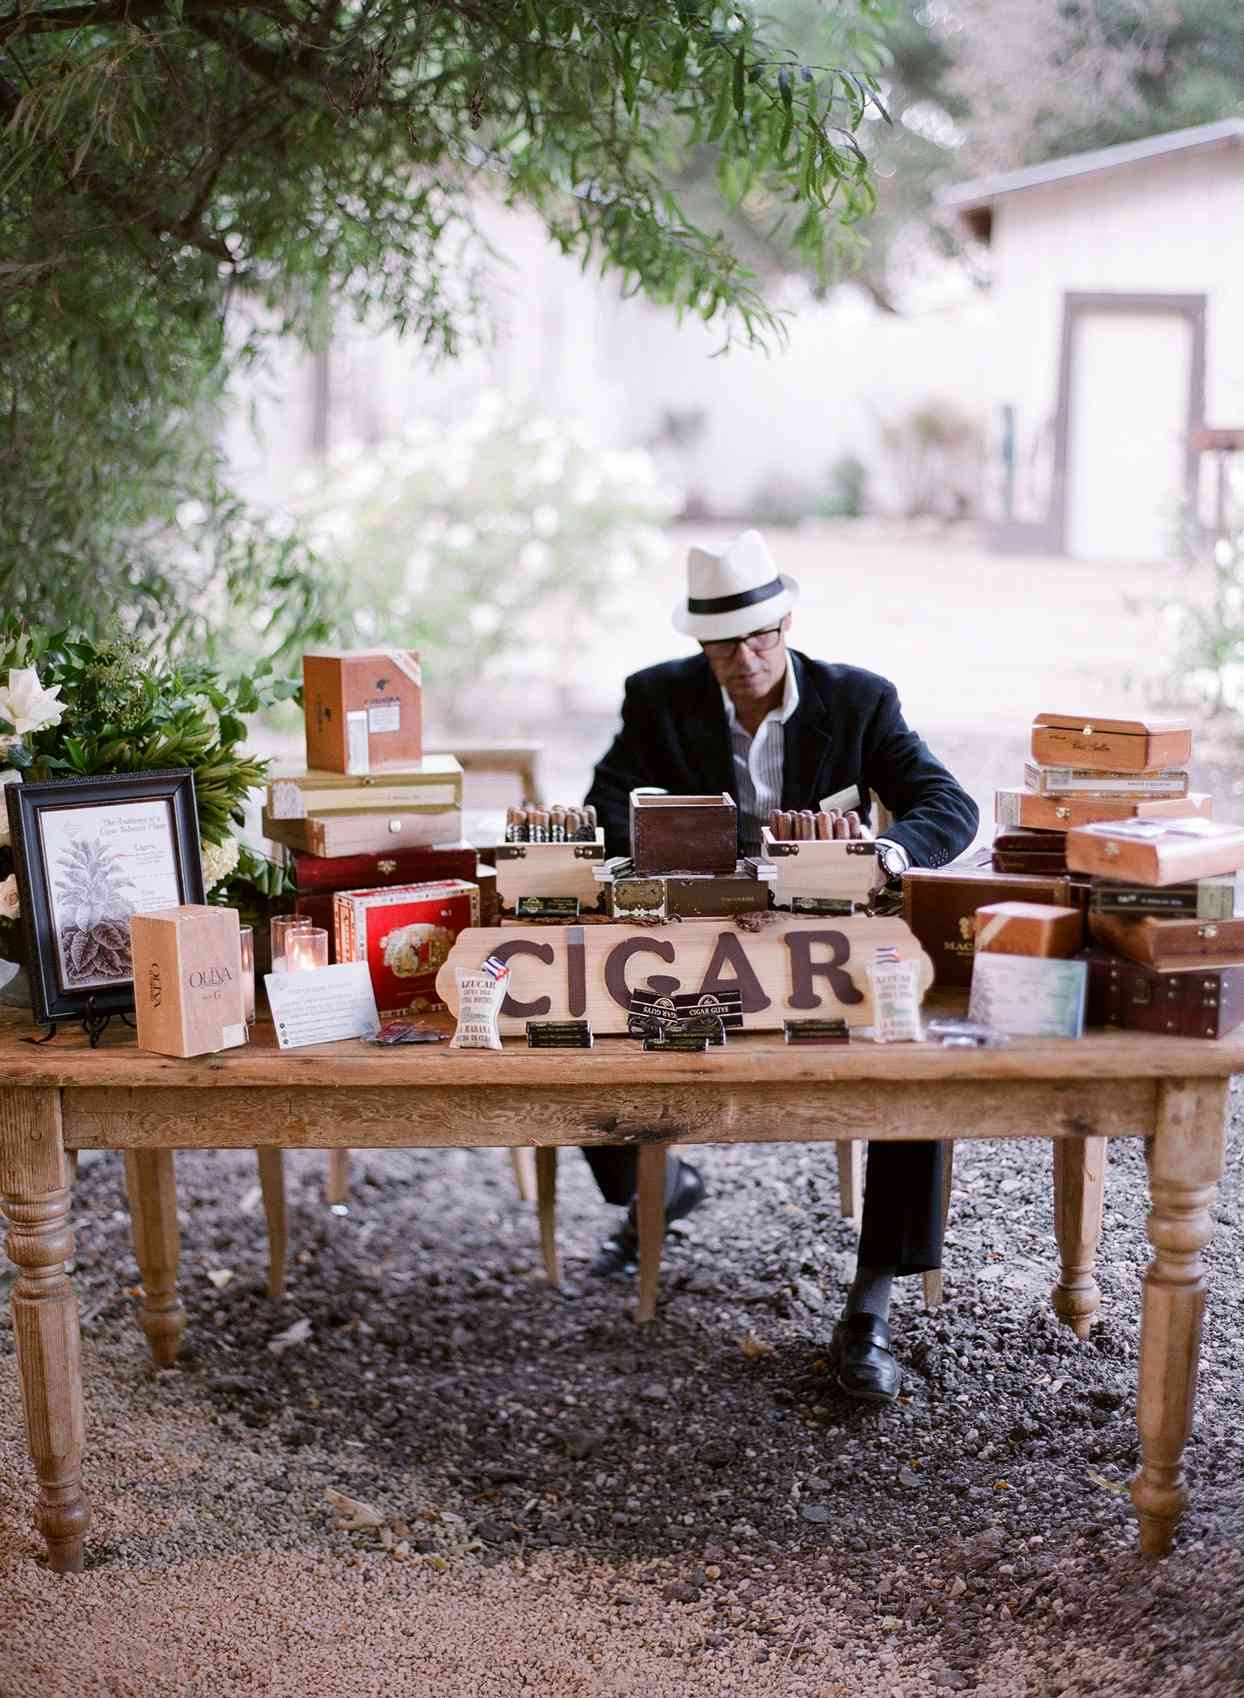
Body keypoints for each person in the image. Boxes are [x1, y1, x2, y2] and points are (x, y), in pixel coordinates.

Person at [580, 528, 979, 1404]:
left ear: (787, 623)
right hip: (697, 936)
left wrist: (885, 855)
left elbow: (948, 804)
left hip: (831, 935)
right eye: (723, 643)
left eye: (760, 637)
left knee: (911, 1061)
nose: (744, 657)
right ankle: (657, 1187)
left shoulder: (860, 701)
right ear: (699, 643)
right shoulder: (657, 698)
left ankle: (870, 1305)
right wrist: (681, 845)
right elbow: (603, 803)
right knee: (570, 1016)